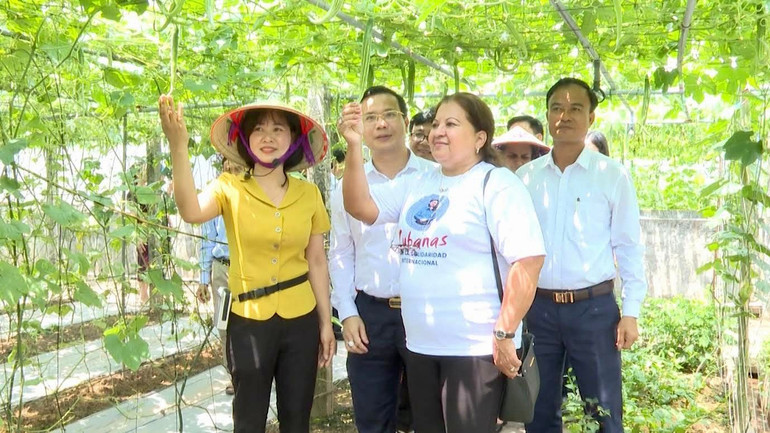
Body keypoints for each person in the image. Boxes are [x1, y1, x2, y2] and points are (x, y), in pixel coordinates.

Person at [338, 92, 545, 433]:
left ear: (480, 138)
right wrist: (354, 146)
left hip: (475, 347)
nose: (438, 132)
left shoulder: (495, 184)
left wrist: (505, 332)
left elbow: (528, 260)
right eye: (435, 124)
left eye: (451, 124)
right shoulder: (420, 182)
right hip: (420, 344)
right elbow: (360, 206)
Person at [158, 95, 336, 433]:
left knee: (297, 419)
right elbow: (191, 212)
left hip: (302, 320)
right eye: (259, 129)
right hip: (248, 320)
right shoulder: (229, 187)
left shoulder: (309, 195)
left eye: (278, 129)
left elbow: (316, 261)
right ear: (245, 138)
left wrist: (325, 324)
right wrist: (178, 146)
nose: (268, 137)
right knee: (248, 419)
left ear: (294, 139)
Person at [517, 77, 647, 433]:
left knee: (603, 412)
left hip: (593, 310)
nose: (566, 115)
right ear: (547, 115)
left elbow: (629, 246)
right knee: (538, 411)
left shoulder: (612, 175)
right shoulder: (526, 179)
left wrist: (631, 312)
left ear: (591, 118)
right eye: (557, 107)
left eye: (576, 108)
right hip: (538, 309)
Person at [329, 85, 430, 433]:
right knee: (372, 418)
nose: (381, 124)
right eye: (370, 118)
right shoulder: (343, 188)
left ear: (404, 120)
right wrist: (348, 312)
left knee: (430, 415)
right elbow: (341, 252)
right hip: (370, 313)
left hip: (425, 310)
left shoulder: (434, 178)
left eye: (389, 115)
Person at [198, 157, 241, 396]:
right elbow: (206, 240)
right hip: (223, 271)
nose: (231, 170)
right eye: (227, 165)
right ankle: (234, 376)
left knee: (253, 323)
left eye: (237, 166)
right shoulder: (214, 197)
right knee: (225, 325)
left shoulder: (254, 193)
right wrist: (203, 277)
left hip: (248, 271)